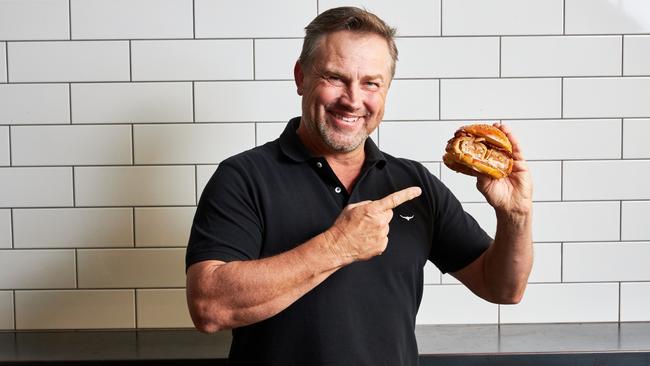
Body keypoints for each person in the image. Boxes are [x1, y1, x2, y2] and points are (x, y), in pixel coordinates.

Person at [185, 6, 533, 366]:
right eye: (335, 77)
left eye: (371, 83)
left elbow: (503, 287)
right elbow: (209, 307)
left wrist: (516, 216)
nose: (353, 99)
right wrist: (338, 246)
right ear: (301, 77)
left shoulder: (414, 185)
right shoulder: (243, 177)